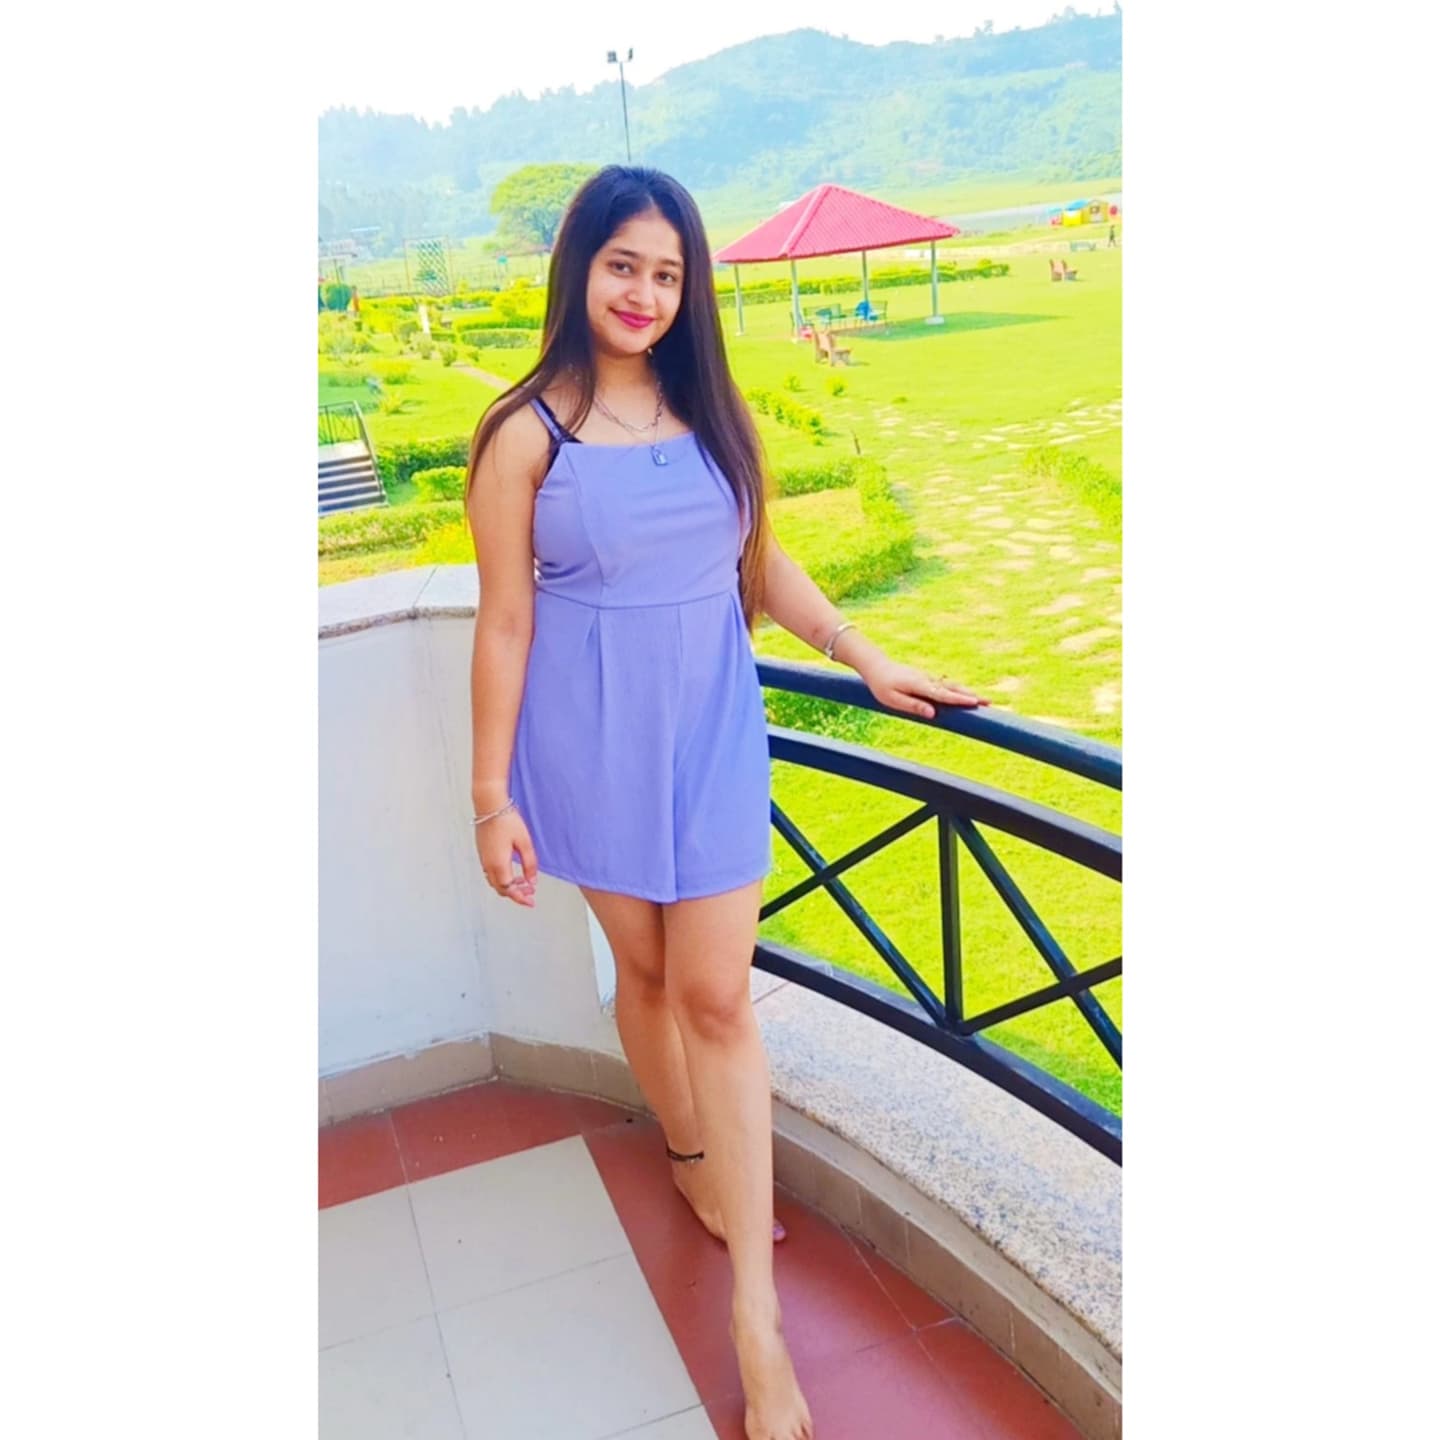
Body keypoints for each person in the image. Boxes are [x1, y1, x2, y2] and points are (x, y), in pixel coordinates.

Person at [463, 165, 988, 1440]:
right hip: (588, 740)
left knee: (713, 996)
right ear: (579, 270)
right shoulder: (525, 431)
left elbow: (758, 559)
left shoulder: (707, 409)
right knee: (645, 978)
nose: (644, 293)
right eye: (622, 266)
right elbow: (505, 622)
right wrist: (491, 795)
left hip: (708, 732)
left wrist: (862, 654)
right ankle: (691, 1157)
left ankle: (759, 1318)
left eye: (667, 272)